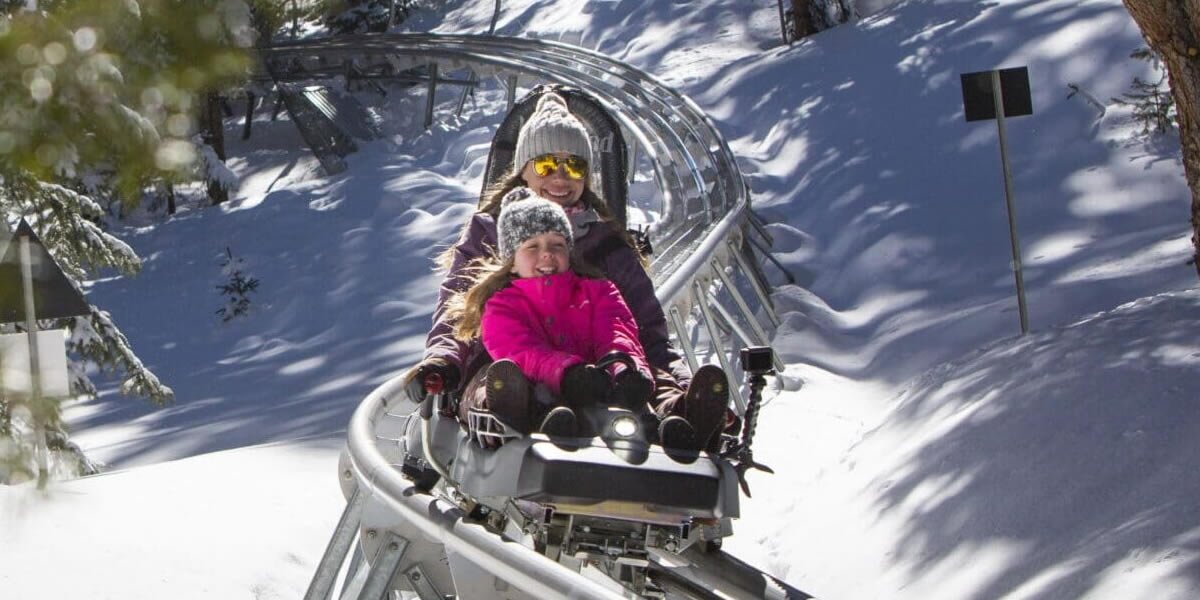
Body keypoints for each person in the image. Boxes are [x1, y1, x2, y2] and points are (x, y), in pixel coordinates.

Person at [407, 90, 728, 451]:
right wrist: (443, 361)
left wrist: (676, 380)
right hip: (507, 365)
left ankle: (685, 417)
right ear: (523, 170)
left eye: (574, 166)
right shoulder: (489, 232)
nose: (560, 177)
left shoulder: (607, 246)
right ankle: (518, 415)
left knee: (645, 379)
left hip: (599, 377)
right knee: (498, 382)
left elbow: (647, 332)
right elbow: (458, 313)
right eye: (546, 164)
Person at [447, 190, 655, 438]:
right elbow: (519, 350)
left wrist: (623, 370)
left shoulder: (599, 290)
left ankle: (670, 428)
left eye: (557, 244)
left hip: (599, 393)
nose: (546, 253)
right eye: (532, 246)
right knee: (516, 386)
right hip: (542, 392)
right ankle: (541, 422)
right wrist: (566, 373)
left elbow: (616, 333)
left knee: (635, 405)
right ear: (511, 261)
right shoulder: (501, 305)